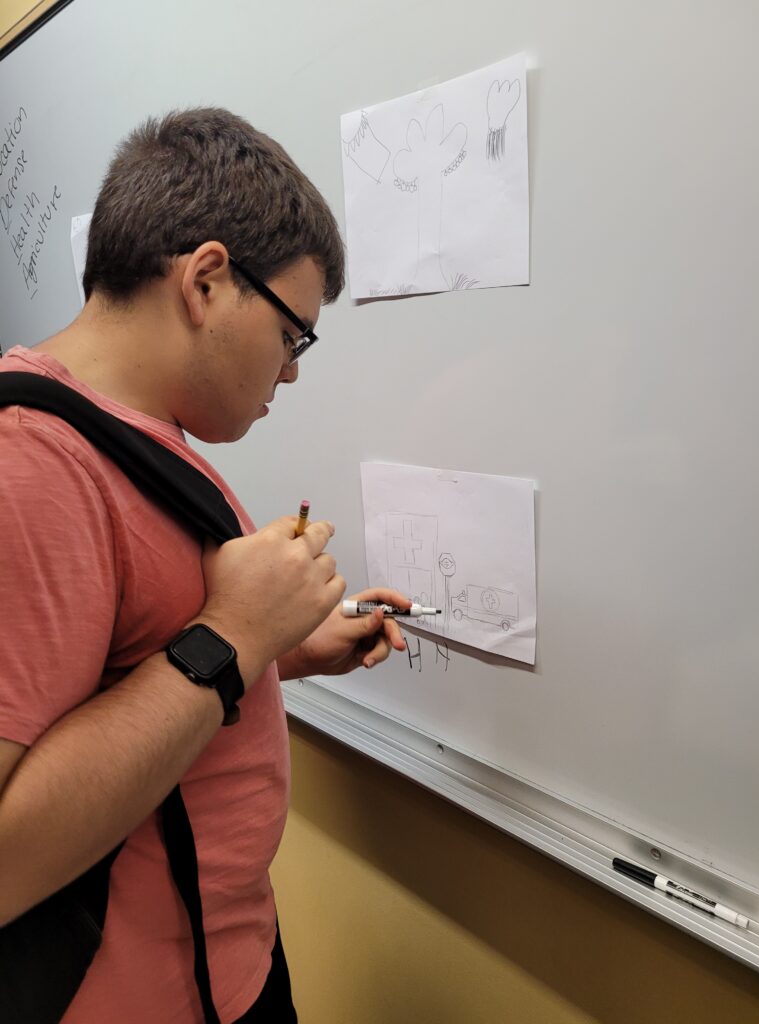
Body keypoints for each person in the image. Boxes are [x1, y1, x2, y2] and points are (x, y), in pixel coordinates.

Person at [0, 107, 410, 1023]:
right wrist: (232, 636)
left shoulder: (140, 435)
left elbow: (121, 667)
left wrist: (283, 648)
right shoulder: (29, 465)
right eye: (294, 334)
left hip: (229, 973)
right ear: (208, 281)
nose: (292, 372)